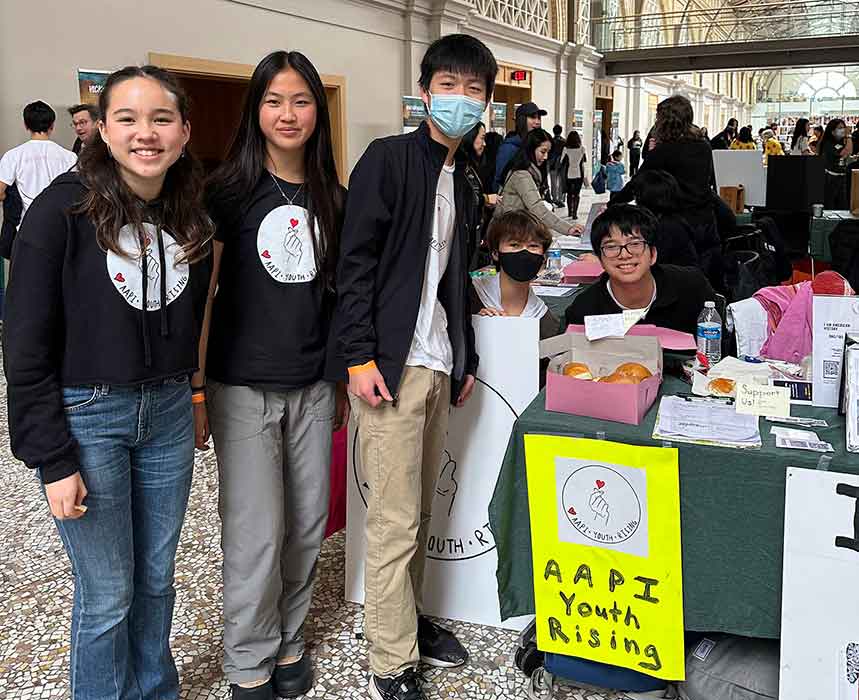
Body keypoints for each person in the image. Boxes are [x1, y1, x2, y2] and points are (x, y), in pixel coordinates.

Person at [4, 65, 212, 700]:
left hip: (169, 412)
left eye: (161, 119)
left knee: (156, 579)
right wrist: (52, 458)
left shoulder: (188, 211)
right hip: (89, 415)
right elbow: (26, 345)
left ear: (183, 132)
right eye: (127, 118)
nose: (145, 134)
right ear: (101, 129)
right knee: (107, 593)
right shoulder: (58, 212)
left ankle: (155, 689)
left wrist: (196, 394)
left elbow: (192, 319)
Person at [331, 34, 496, 700]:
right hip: (391, 366)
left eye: (474, 89)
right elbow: (354, 263)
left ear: (486, 102)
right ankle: (389, 661)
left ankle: (412, 620)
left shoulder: (466, 175)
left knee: (422, 509)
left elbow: (456, 276)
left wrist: (464, 355)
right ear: (425, 90)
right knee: (394, 520)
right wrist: (357, 355)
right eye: (449, 85)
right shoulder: (388, 159)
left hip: (437, 361)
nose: (460, 98)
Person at [196, 50, 347, 700]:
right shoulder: (226, 191)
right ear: (255, 110)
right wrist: (197, 389)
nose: (288, 114)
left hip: (313, 385)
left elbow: (338, 297)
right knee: (257, 533)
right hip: (241, 387)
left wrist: (339, 380)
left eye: (301, 100)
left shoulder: (332, 198)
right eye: (274, 100)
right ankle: (247, 662)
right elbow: (202, 294)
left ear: (318, 111)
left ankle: (288, 642)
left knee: (307, 525)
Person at [613, 95, 722, 291]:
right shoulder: (703, 145)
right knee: (706, 280)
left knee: (679, 282)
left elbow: (638, 183)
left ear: (666, 120)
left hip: (678, 224)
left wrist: (613, 206)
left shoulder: (665, 151)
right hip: (706, 220)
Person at [564, 204, 716, 336]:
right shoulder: (584, 309)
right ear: (600, 260)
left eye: (635, 244)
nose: (624, 254)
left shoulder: (691, 287)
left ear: (653, 254)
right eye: (611, 247)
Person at [469, 210, 558, 338]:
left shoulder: (545, 322)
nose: (524, 252)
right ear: (495, 253)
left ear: (543, 257)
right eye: (514, 245)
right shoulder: (468, 297)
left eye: (533, 246)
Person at [495, 128, 582, 237]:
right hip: (510, 234)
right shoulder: (522, 175)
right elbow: (537, 208)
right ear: (531, 149)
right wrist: (568, 228)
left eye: (548, 153)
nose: (545, 157)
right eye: (543, 151)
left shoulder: (528, 171)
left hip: (515, 231)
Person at [0, 100, 77, 220]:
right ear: (52, 125)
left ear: (26, 125)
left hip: (28, 224)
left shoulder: (12, 156)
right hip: (62, 223)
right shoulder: (70, 157)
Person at [632, 170, 698, 268]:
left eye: (637, 194)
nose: (635, 198)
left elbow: (651, 263)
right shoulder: (673, 219)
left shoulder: (666, 227)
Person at [460, 121, 497, 268]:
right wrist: (486, 199)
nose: (485, 143)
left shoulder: (471, 165)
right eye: (482, 138)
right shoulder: (461, 167)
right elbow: (464, 198)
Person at [493, 101, 545, 191]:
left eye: (539, 118)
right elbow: (498, 181)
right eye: (533, 117)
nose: (537, 122)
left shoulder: (536, 148)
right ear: (521, 120)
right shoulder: (508, 148)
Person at [820, 118, 853, 210]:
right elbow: (846, 152)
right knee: (830, 205)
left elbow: (849, 152)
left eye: (844, 127)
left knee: (842, 206)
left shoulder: (842, 142)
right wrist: (848, 136)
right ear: (832, 131)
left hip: (842, 176)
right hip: (831, 178)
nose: (843, 130)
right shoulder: (829, 144)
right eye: (840, 128)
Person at [564, 130, 587, 219]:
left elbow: (562, 161)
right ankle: (575, 214)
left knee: (569, 194)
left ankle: (570, 211)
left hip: (568, 173)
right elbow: (584, 160)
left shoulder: (566, 149)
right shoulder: (582, 149)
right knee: (577, 194)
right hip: (579, 173)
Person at [547, 124, 567, 206]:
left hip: (552, 163)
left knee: (553, 181)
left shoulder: (550, 141)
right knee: (561, 182)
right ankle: (560, 198)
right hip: (562, 164)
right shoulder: (564, 141)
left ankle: (554, 198)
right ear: (561, 131)